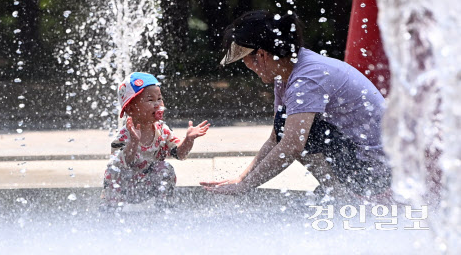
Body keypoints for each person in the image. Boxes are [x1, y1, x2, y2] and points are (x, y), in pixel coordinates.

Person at [201, 11, 391, 200]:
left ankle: (346, 196)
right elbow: (276, 138)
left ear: (261, 55)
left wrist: (245, 187)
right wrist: (241, 179)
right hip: (362, 160)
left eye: (245, 59)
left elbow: (291, 146)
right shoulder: (287, 73)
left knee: (295, 131)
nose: (246, 65)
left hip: (377, 172)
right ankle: (336, 188)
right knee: (285, 124)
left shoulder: (307, 79)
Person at [102, 71, 210, 207]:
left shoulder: (162, 130)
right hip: (125, 189)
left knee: (165, 168)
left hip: (148, 186)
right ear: (130, 108)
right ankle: (110, 212)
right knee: (113, 169)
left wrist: (189, 139)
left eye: (159, 98)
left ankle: (164, 208)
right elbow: (124, 163)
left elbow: (180, 154)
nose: (157, 104)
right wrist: (133, 142)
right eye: (150, 100)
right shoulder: (124, 135)